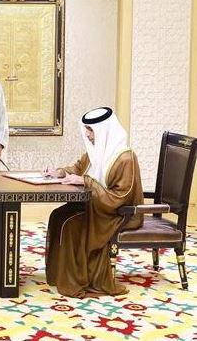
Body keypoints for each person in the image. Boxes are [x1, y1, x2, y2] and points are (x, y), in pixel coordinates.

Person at [43, 107, 143, 298]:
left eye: (91, 130)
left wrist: (86, 181)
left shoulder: (125, 157)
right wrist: (60, 172)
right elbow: (79, 168)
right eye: (87, 130)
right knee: (58, 215)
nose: (87, 135)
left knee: (70, 224)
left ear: (104, 129)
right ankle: (60, 275)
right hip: (98, 207)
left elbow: (120, 197)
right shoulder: (97, 150)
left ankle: (78, 278)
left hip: (118, 213)